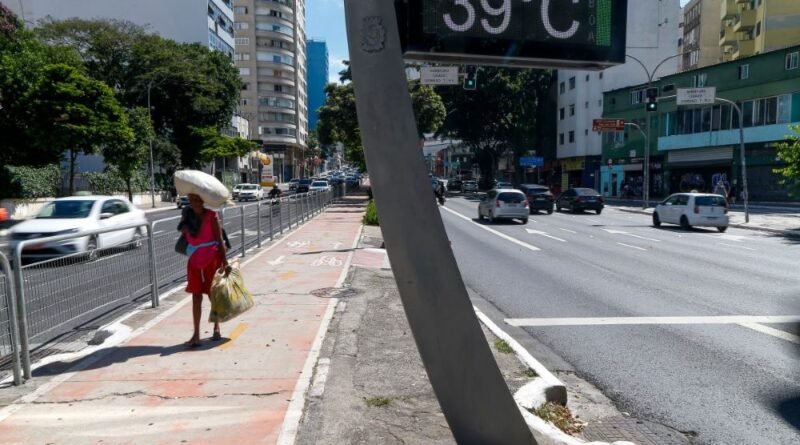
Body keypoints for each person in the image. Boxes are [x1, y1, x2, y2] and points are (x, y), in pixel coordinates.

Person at [178, 193, 232, 348]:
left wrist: (225, 262)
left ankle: (216, 326)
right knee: (196, 296)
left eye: (197, 200)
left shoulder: (211, 215)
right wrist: (185, 223)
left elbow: (220, 240)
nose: (194, 203)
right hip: (194, 260)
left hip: (212, 259)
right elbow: (183, 233)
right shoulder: (187, 214)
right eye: (192, 200)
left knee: (211, 294)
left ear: (204, 201)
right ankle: (196, 334)